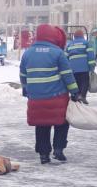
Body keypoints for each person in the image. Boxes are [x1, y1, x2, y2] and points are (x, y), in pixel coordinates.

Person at [20, 24, 80, 164]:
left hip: (36, 98)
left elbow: (23, 75)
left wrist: (26, 89)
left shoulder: (27, 53)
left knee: (41, 125)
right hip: (57, 96)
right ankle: (58, 149)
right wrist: (75, 92)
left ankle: (43, 154)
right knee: (62, 123)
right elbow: (67, 75)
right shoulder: (58, 53)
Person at [65, 30, 97, 102]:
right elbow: (90, 55)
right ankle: (82, 96)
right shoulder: (86, 43)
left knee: (76, 82)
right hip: (84, 68)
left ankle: (76, 96)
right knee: (85, 82)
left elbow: (65, 57)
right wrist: (92, 67)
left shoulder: (69, 44)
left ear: (74, 36)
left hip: (73, 68)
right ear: (82, 36)